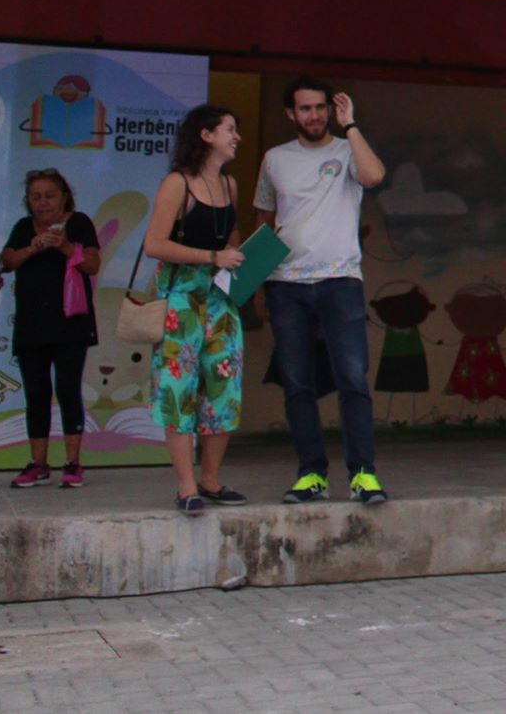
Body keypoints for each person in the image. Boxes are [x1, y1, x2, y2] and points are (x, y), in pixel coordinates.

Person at [254, 75, 390, 507]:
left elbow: (373, 176)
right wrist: (257, 283)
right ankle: (311, 473)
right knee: (297, 383)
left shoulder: (347, 148)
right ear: (290, 114)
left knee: (352, 378)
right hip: (285, 284)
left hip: (340, 281)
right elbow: (264, 221)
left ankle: (363, 474)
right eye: (305, 109)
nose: (313, 116)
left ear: (330, 110)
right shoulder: (275, 158)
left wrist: (351, 127)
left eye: (320, 108)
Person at [144, 103, 250, 516]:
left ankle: (211, 479)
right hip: (182, 299)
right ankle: (185, 486)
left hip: (221, 301)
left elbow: (232, 235)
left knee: (224, 390)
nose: (236, 136)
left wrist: (240, 255)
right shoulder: (178, 183)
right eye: (229, 129)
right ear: (205, 135)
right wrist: (211, 256)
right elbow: (154, 244)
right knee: (178, 390)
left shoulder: (230, 184)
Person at [0, 168, 102, 488]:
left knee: (68, 390)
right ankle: (37, 462)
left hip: (70, 322)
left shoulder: (79, 222)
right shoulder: (22, 227)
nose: (42, 203)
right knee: (36, 393)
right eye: (35, 197)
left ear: (64, 196)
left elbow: (92, 265)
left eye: (49, 195)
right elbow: (8, 261)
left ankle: (73, 462)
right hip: (32, 323)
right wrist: (34, 246)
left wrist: (65, 246)